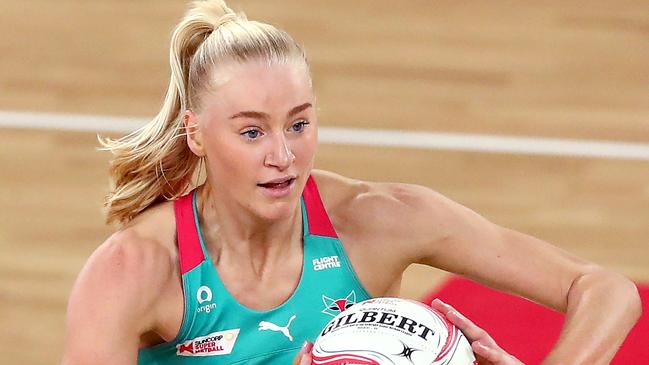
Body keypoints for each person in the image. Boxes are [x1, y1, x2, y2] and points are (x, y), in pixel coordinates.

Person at [61, 1, 641, 364]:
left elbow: (603, 289)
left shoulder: (376, 220)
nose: (283, 156)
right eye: (252, 133)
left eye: (299, 124)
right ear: (195, 135)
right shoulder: (136, 270)